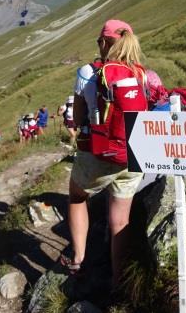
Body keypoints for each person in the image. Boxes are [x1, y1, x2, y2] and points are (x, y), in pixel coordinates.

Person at [64, 19, 145, 289]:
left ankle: (79, 259)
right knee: (120, 218)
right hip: (134, 154)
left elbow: (76, 118)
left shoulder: (88, 71)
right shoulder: (141, 73)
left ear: (103, 42)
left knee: (77, 197)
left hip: (97, 152)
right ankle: (118, 279)